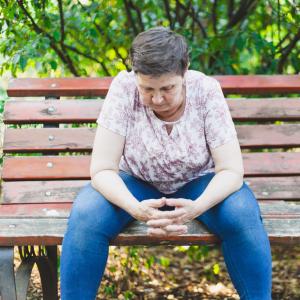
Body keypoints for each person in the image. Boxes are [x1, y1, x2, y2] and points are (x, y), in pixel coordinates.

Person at [60, 27, 272, 300]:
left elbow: (231, 171)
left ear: (185, 71)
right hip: (135, 184)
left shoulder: (206, 90)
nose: (157, 99)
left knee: (242, 211)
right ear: (135, 75)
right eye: (147, 89)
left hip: (200, 184)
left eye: (167, 88)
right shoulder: (123, 89)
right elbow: (102, 169)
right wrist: (133, 207)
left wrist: (197, 207)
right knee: (86, 213)